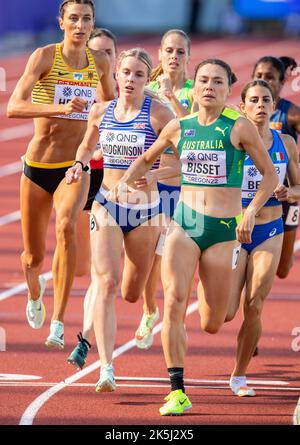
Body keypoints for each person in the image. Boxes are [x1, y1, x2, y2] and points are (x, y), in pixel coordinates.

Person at [108, 58, 278, 415]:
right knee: (173, 301)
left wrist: (249, 211)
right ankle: (177, 390)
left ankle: (208, 286)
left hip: (223, 233)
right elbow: (145, 159)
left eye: (217, 82)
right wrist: (124, 183)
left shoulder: (239, 127)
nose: (209, 87)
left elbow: (269, 177)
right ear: (195, 86)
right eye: (203, 80)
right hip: (184, 225)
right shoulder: (179, 126)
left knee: (214, 322)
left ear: (228, 89)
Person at [6, 0, 114, 349]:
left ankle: (58, 320)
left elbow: (112, 108)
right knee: (32, 257)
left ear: (93, 23)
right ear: (61, 22)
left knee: (67, 227)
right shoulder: (43, 57)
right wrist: (62, 108)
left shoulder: (99, 62)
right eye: (74, 19)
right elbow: (14, 107)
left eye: (86, 19)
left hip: (74, 167)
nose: (80, 25)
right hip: (38, 167)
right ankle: (34, 291)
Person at [65, 48, 174, 391]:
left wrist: (155, 177)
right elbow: (85, 147)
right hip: (106, 205)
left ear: (146, 79)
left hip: (145, 212)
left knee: (130, 291)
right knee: (106, 282)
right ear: (116, 75)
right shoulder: (101, 111)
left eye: (138, 74)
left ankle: (147, 308)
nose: (130, 79)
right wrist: (79, 165)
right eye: (125, 73)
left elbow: (183, 161)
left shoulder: (159, 113)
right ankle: (106, 368)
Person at [225, 80, 300, 397]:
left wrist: (289, 192)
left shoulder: (286, 142)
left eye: (265, 100)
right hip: (232, 230)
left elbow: (298, 188)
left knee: (254, 304)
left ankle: (239, 376)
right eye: (253, 100)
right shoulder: (231, 140)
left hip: (270, 229)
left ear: (273, 105)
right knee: (224, 313)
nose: (259, 105)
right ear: (242, 106)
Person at [134, 29, 195, 350]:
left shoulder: (196, 90)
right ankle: (149, 309)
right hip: (154, 186)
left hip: (185, 188)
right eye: (169, 50)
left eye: (180, 51)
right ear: (159, 53)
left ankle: (172, 318)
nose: (174, 56)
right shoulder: (149, 87)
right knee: (151, 259)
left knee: (173, 259)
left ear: (188, 56)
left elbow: (197, 130)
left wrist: (173, 97)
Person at [67, 28, 118, 368]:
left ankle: (149, 310)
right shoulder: (80, 90)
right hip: (92, 178)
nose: (101, 58)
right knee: (101, 274)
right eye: (95, 52)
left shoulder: (132, 90)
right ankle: (86, 338)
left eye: (108, 53)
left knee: (129, 282)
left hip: (137, 192)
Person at [252, 56, 300, 279]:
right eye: (259, 76)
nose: (264, 81)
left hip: (286, 198)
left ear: (281, 83)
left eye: (270, 78)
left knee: (281, 270)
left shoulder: (291, 114)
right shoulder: (243, 114)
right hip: (252, 194)